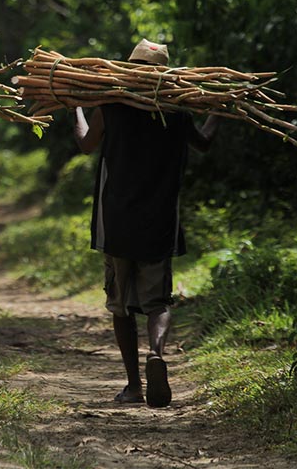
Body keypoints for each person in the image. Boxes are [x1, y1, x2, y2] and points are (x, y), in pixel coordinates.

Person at [72, 38, 218, 408]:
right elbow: (203, 144)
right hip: (159, 219)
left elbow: (87, 144)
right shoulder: (177, 109)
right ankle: (156, 352)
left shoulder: (113, 105)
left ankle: (134, 385)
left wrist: (75, 107)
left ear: (130, 68)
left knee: (120, 306)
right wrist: (218, 109)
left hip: (116, 219)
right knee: (158, 301)